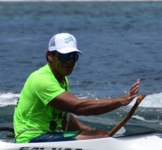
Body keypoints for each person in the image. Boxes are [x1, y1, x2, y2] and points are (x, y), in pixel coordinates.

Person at [13, 33, 141, 143]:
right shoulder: (42, 79)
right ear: (50, 56)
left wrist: (89, 132)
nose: (69, 61)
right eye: (64, 56)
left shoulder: (62, 79)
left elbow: (64, 119)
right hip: (31, 139)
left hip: (48, 136)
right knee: (100, 136)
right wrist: (120, 101)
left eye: (73, 57)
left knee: (98, 134)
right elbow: (78, 107)